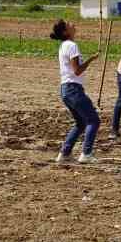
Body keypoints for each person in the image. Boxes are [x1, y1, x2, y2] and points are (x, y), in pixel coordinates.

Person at [52, 19, 100, 164]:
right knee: (93, 120)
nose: (73, 24)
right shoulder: (72, 45)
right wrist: (91, 59)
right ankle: (86, 153)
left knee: (80, 123)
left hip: (66, 89)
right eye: (69, 24)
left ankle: (65, 154)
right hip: (73, 89)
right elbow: (77, 70)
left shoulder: (63, 46)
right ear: (66, 31)